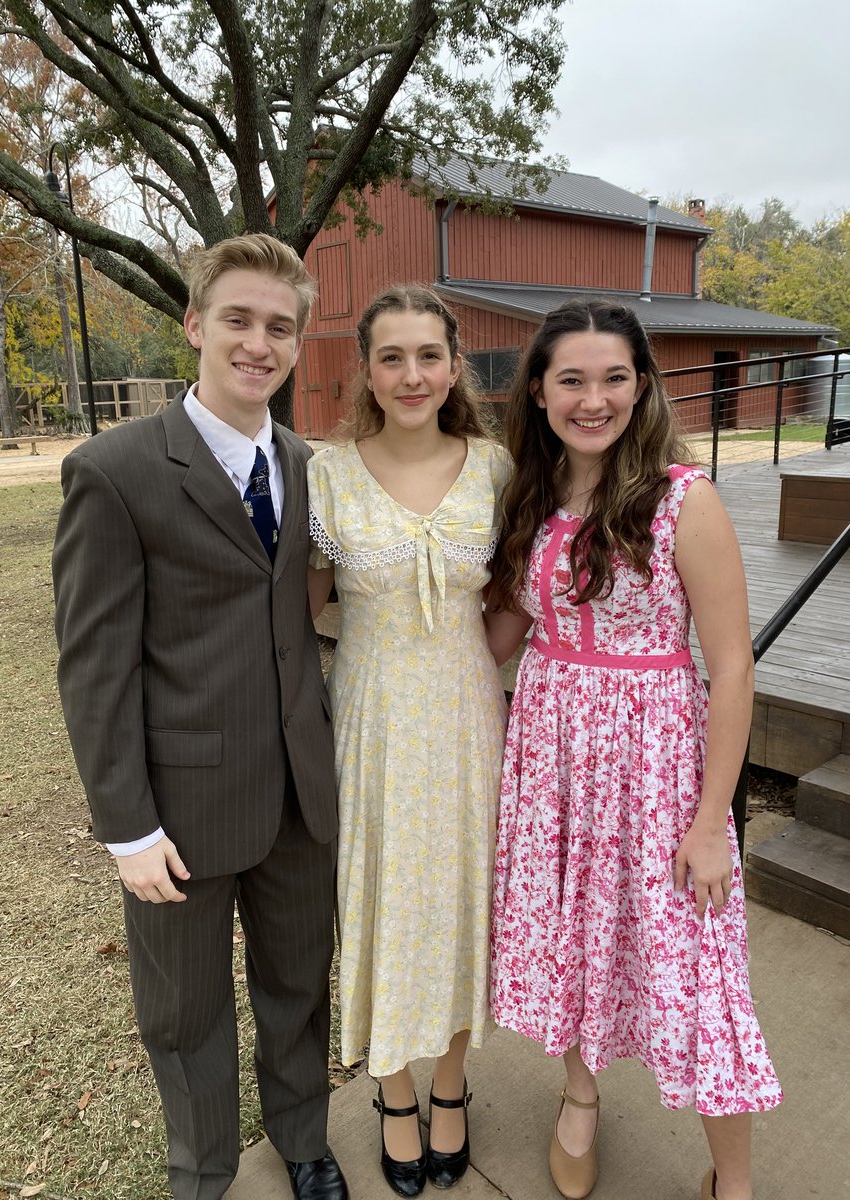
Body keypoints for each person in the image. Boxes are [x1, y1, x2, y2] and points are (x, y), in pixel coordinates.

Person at [53, 234, 349, 1200]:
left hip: (303, 790)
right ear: (193, 325)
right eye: (238, 319)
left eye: (279, 326)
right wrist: (126, 827)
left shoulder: (310, 466)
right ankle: (204, 1168)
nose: (258, 342)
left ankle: (303, 1139)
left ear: (298, 342)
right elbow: (94, 666)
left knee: (300, 984)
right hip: (179, 806)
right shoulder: (115, 470)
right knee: (184, 1010)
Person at [485, 298, 782, 1200]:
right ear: (538, 390)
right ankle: (579, 1095)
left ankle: (731, 1177)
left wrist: (707, 821)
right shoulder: (530, 496)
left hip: (656, 767)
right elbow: (498, 636)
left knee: (694, 967)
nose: (593, 398)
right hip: (552, 759)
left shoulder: (684, 500)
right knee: (570, 933)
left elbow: (731, 670)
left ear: (642, 386)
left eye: (614, 377)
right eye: (571, 379)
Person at [306, 285, 510, 1196]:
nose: (413, 374)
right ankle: (392, 1089)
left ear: (455, 365)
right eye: (393, 357)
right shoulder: (329, 473)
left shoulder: (497, 468)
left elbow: (511, 600)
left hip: (469, 716)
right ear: (368, 371)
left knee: (467, 896)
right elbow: (303, 608)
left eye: (430, 354)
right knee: (379, 895)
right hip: (370, 720)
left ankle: (454, 1085)